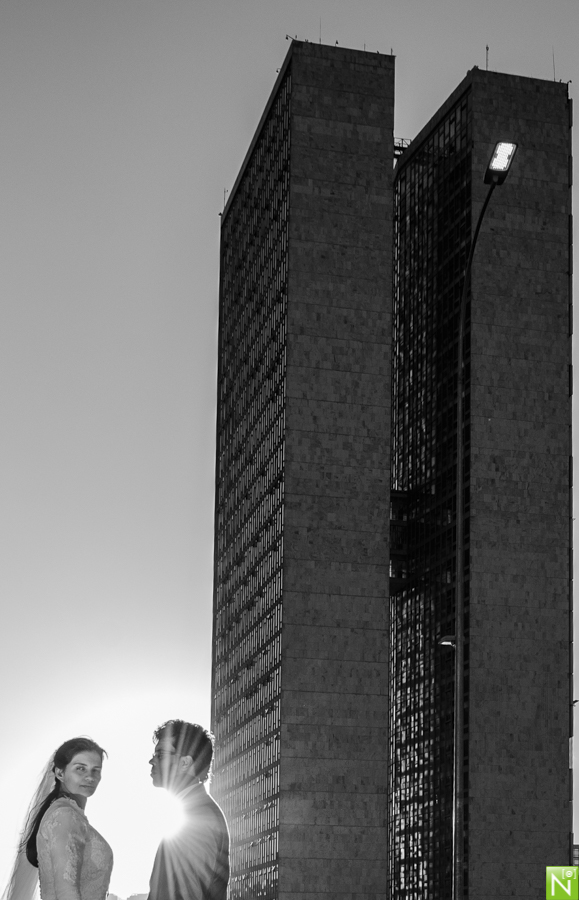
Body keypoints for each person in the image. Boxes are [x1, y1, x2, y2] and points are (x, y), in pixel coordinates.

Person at [3, 737, 113, 900]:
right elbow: (65, 892)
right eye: (80, 769)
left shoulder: (69, 814)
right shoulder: (64, 815)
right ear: (60, 772)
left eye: (95, 770)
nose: (90, 777)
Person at [147, 720, 229, 900]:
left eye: (160, 754)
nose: (151, 760)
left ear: (185, 763)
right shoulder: (191, 813)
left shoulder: (197, 818)